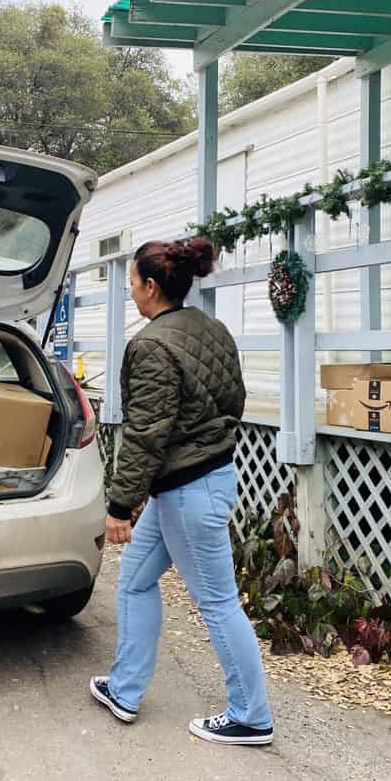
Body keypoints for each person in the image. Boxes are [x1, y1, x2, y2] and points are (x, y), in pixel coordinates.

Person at [88, 238, 273, 746]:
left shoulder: (150, 345)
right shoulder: (211, 329)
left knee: (217, 602)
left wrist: (120, 504)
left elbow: (146, 433)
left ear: (152, 286)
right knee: (135, 581)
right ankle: (124, 690)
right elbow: (233, 396)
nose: (130, 294)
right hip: (193, 483)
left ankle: (251, 715)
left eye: (131, 284)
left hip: (190, 490)